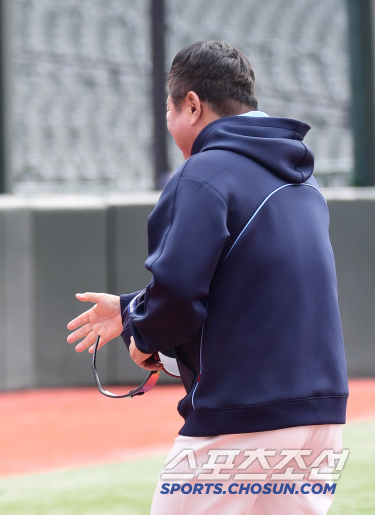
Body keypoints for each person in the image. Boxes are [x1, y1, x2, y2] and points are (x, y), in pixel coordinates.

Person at [67, 41, 348, 514]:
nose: (173, 125)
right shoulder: (301, 177)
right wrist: (132, 307)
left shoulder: (204, 171)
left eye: (171, 111)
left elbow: (178, 295)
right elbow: (244, 281)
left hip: (242, 419)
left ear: (192, 105)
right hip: (320, 426)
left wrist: (143, 335)